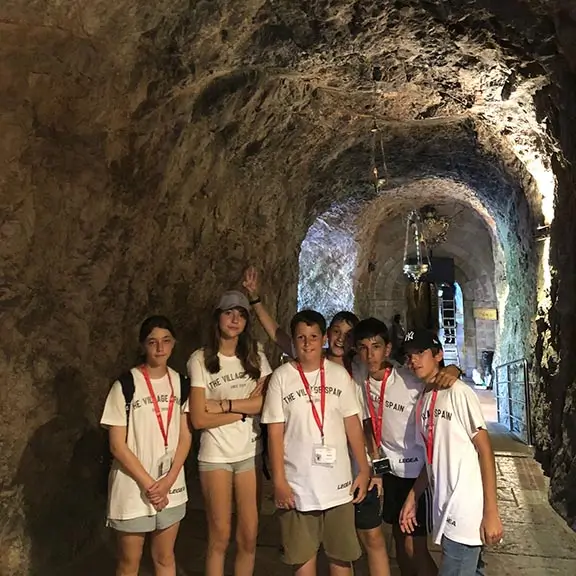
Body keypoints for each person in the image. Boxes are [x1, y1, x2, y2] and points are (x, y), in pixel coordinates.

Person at [243, 266, 391, 576]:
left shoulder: (355, 368)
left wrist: (369, 467)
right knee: (304, 555)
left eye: (346, 335)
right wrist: (255, 299)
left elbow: (360, 421)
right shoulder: (289, 374)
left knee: (361, 543)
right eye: (334, 332)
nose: (338, 339)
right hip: (304, 477)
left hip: (347, 474)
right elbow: (278, 335)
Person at [261, 310, 371, 576]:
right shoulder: (282, 378)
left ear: (323, 338)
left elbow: (352, 424)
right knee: (302, 560)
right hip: (299, 487)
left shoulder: (338, 376)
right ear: (294, 341)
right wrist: (279, 481)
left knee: (342, 560)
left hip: (338, 487)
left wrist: (365, 469)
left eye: (313, 337)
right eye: (301, 337)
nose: (307, 343)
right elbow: (275, 433)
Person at [353, 318, 460, 576]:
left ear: (387, 349)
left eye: (376, 347)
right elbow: (370, 431)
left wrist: (455, 369)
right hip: (390, 473)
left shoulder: (408, 377)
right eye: (364, 348)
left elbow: (438, 379)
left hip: (417, 474)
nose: (370, 354)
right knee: (400, 541)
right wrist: (377, 471)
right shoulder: (359, 378)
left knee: (415, 547)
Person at [399, 329, 503, 576]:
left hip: (464, 508)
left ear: (438, 355)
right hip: (443, 506)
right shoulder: (424, 398)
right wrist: (414, 496)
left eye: (420, 352)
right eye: (409, 354)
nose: (414, 360)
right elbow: (431, 457)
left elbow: (485, 450)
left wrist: (491, 511)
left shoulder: (458, 391)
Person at [188, 290, 273, 576]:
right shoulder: (200, 360)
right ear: (218, 318)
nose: (235, 319)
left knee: (249, 536)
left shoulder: (255, 356)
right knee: (220, 536)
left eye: (241, 314)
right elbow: (199, 418)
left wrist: (223, 406)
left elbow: (266, 402)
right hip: (216, 455)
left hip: (249, 453)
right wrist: (244, 411)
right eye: (229, 313)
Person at [101, 315, 192, 576]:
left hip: (171, 486)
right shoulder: (126, 385)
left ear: (174, 344)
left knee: (165, 557)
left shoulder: (181, 384)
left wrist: (168, 481)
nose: (160, 348)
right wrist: (151, 485)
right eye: (153, 342)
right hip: (133, 487)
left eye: (166, 341)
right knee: (130, 562)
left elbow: (185, 435)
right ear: (143, 345)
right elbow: (117, 445)